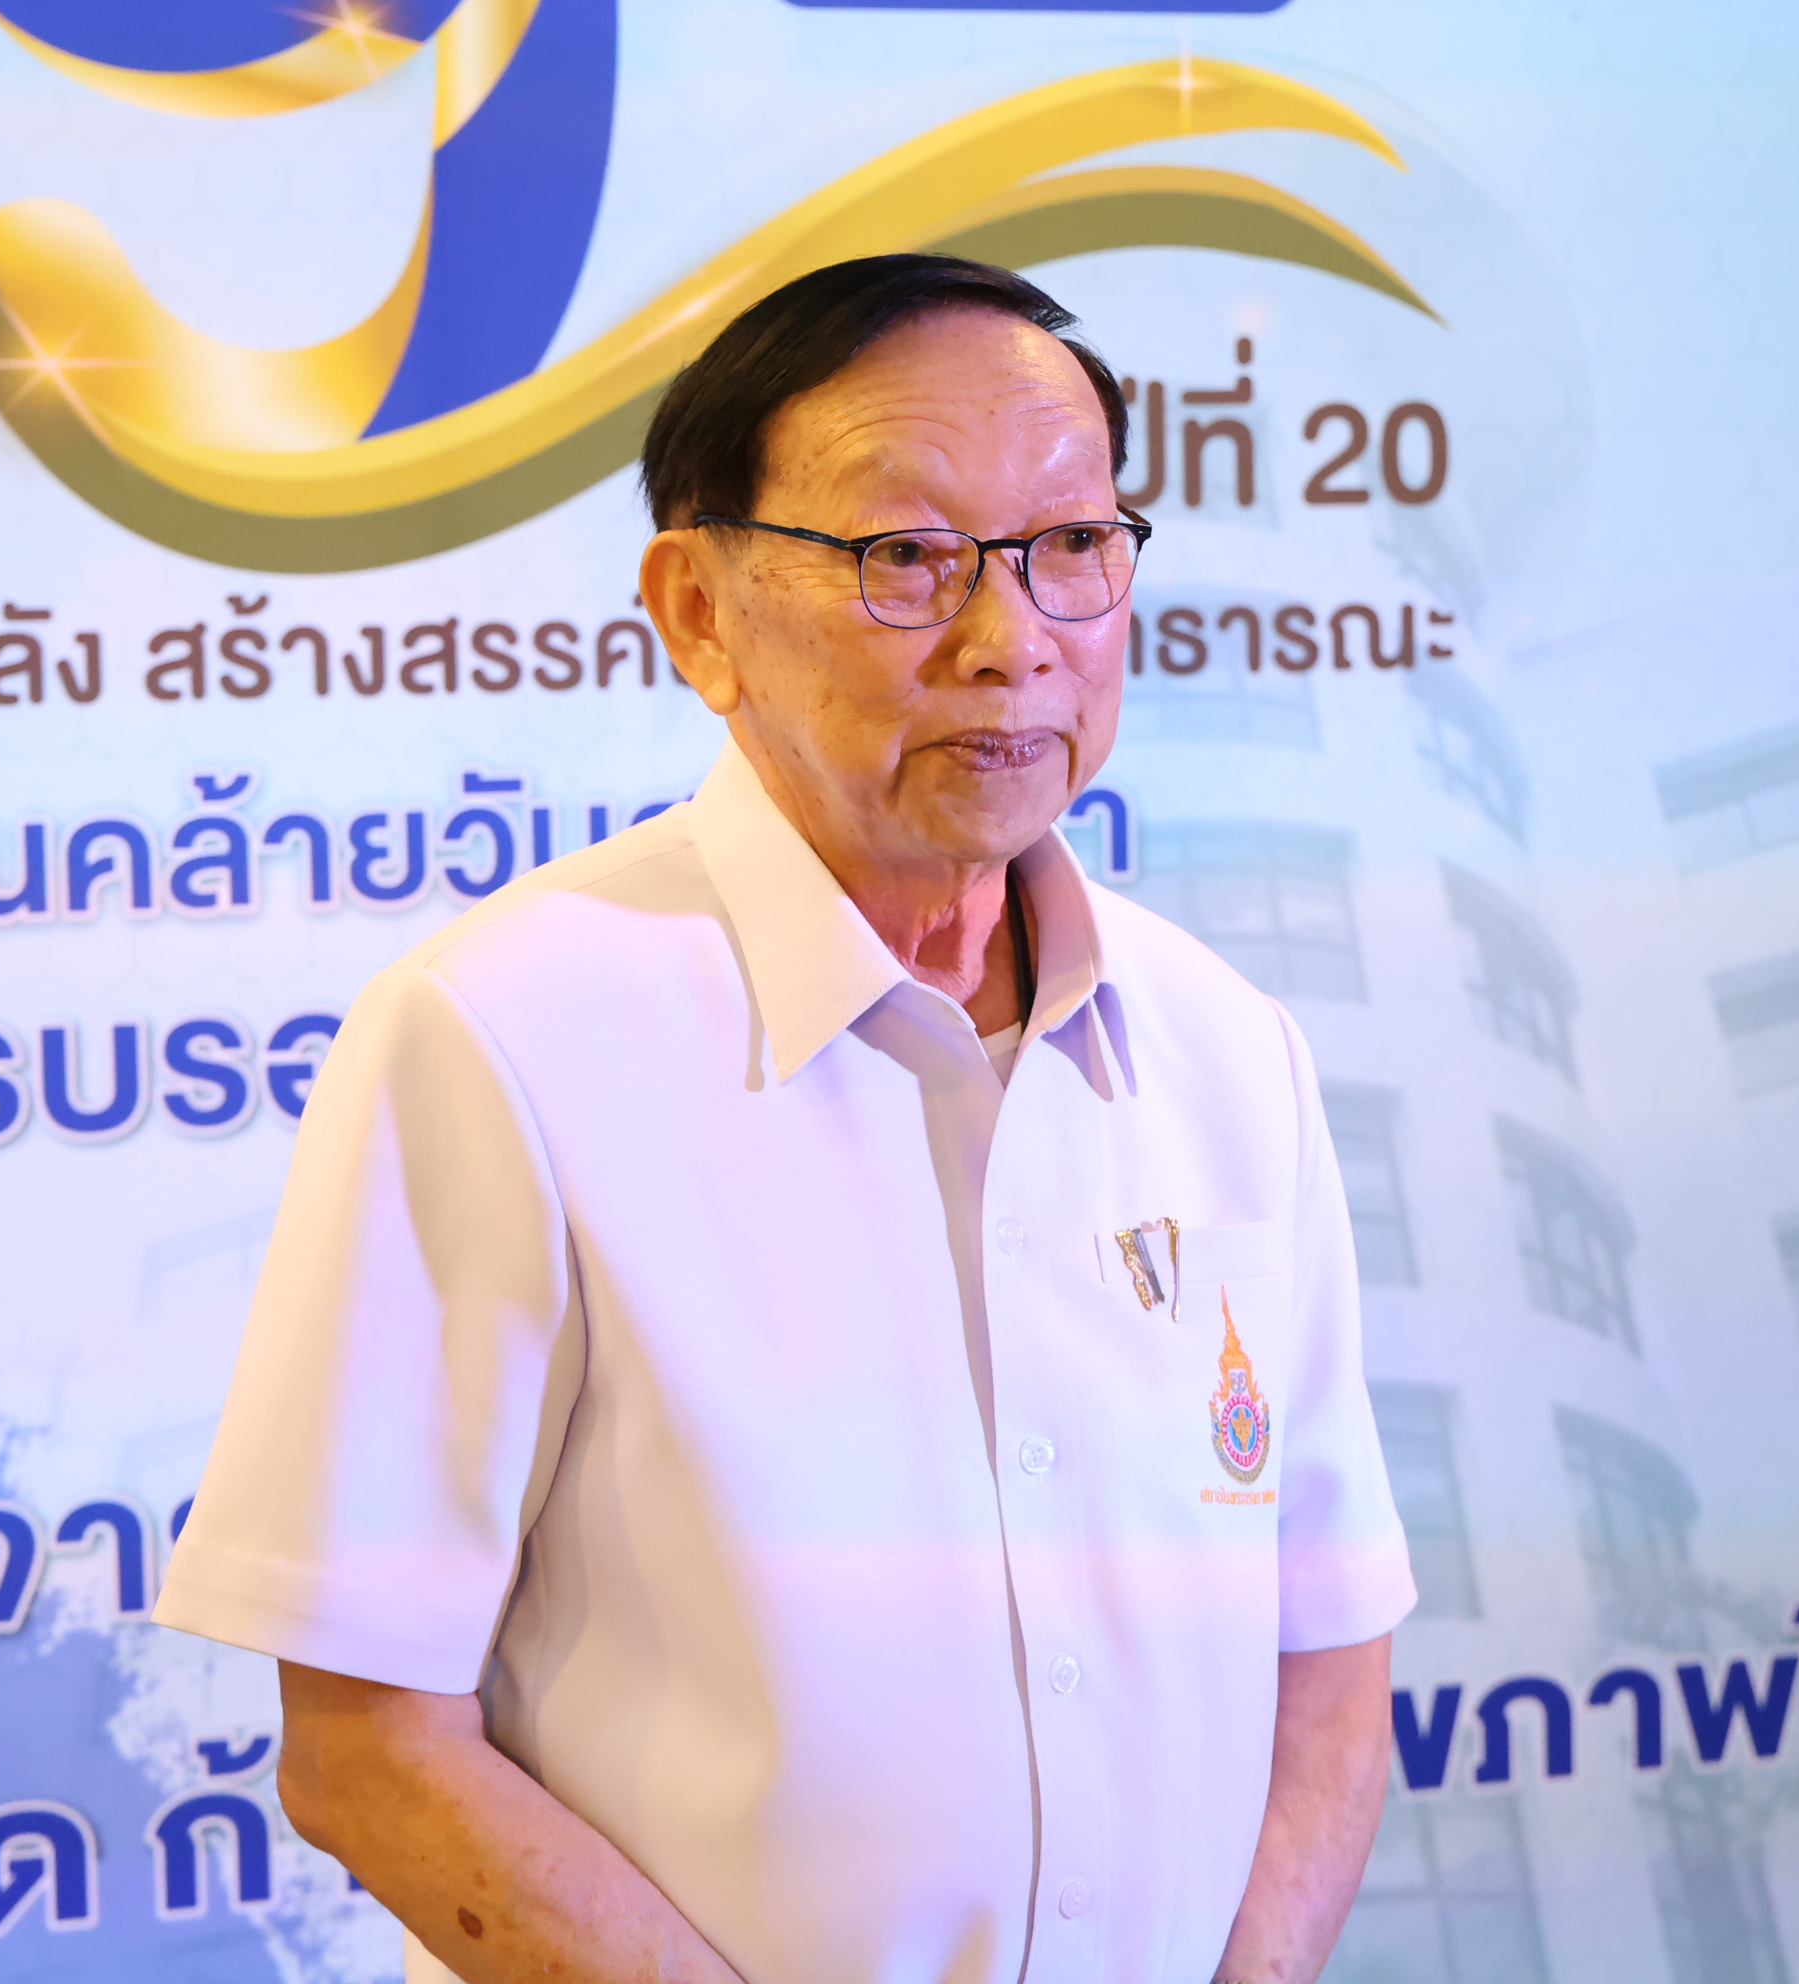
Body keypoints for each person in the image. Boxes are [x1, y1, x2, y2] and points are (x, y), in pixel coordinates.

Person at [153, 253, 1415, 1984]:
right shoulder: (503, 1036)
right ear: (698, 611)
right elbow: (371, 1745)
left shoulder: (1229, 1050)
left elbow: (1328, 1647)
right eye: (907, 557)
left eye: (1071, 544)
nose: (1010, 639)